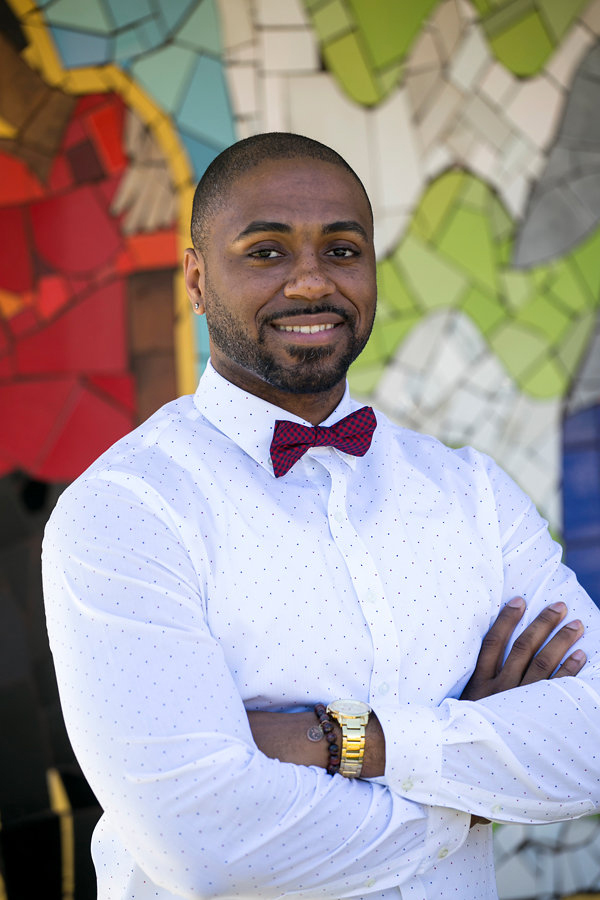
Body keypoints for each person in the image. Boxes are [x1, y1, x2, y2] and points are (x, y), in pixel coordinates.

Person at [42, 133, 600, 900]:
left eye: (342, 250)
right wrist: (467, 799)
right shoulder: (126, 510)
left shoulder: (472, 493)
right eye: (266, 252)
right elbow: (204, 844)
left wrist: (343, 741)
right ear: (197, 280)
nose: (311, 283)